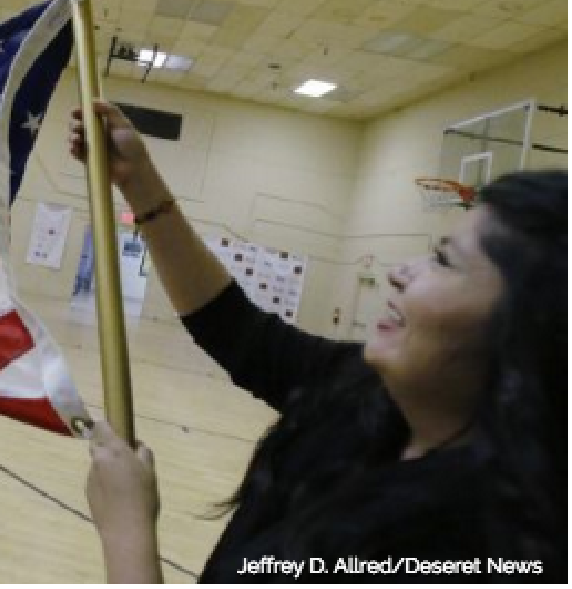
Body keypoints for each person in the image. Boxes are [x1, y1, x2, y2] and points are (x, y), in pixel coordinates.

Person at [73, 101, 567, 583]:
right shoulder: (367, 393)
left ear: (526, 330)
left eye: (444, 260)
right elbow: (234, 328)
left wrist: (127, 531)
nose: (399, 274)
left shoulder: (478, 547)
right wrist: (138, 182)